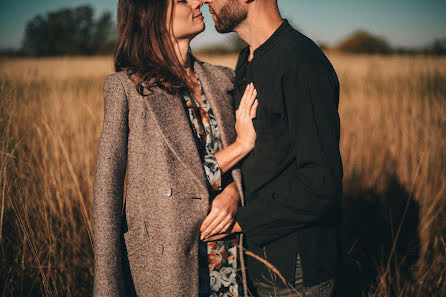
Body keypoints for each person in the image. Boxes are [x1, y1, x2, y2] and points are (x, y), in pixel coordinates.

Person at [92, 0, 257, 296]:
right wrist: (107, 289)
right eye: (181, 0)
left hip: (227, 255)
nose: (198, 2)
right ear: (152, 13)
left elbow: (250, 167)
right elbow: (107, 195)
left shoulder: (223, 79)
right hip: (165, 260)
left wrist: (233, 191)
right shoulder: (126, 89)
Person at [201, 0, 344, 296]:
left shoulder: (300, 62)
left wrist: (236, 222)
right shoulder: (247, 60)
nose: (203, 1)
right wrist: (230, 193)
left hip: (296, 269)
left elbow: (320, 184)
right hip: (254, 260)